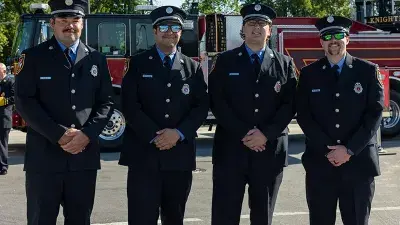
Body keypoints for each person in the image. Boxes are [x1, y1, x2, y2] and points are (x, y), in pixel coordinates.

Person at [14, 0, 114, 224]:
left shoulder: (96, 58)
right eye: (63, 20)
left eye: (75, 20)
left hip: (83, 157)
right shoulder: (33, 57)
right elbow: (24, 102)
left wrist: (87, 134)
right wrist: (58, 133)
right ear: (52, 23)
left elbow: (106, 102)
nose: (70, 25)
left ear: (83, 22)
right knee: (41, 219)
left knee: (80, 220)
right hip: (44, 158)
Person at [118, 5, 209, 225]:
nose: (170, 31)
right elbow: (129, 105)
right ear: (155, 31)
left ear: (181, 31)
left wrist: (178, 133)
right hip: (144, 155)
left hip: (179, 158)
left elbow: (201, 107)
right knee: (141, 218)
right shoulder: (137, 64)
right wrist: (155, 135)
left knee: (174, 218)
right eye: (164, 26)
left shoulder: (192, 67)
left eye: (175, 26)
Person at [208, 3, 297, 225]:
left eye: (262, 24)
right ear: (243, 29)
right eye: (251, 23)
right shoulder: (225, 61)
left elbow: (290, 105)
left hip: (269, 152)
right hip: (231, 152)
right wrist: (245, 134)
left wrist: (265, 134)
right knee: (224, 215)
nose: (256, 28)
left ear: (270, 30)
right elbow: (217, 102)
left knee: (263, 217)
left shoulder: (284, 64)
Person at [296, 15, 384, 225]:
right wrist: (329, 150)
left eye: (338, 35)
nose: (333, 40)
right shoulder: (309, 74)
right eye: (327, 36)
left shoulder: (367, 71)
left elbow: (374, 114)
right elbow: (304, 115)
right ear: (321, 41)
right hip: (321, 164)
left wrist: (349, 150)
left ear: (347, 39)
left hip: (358, 164)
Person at [0, 62, 14, 175]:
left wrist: (4, 101)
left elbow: (15, 97)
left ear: (4, 71)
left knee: (2, 143)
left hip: (4, 117)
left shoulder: (10, 81)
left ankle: (3, 167)